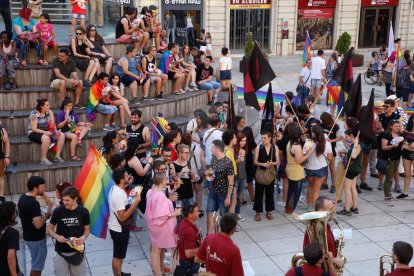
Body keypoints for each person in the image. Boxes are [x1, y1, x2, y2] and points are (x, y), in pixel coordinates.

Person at [48, 187, 90, 276]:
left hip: (77, 252)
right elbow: (50, 229)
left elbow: (87, 230)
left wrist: (83, 237)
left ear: (75, 199)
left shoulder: (84, 211)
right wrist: (57, 237)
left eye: (67, 200)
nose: (64, 203)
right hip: (61, 252)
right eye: (63, 200)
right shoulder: (58, 211)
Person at [146, 172, 180, 276]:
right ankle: (176, 271)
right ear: (161, 182)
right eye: (165, 179)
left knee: (156, 249)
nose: (167, 181)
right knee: (175, 249)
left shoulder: (150, 192)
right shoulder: (160, 196)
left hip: (153, 225)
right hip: (164, 227)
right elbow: (162, 216)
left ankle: (158, 274)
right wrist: (176, 213)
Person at [108, 168, 141, 276]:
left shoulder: (117, 188)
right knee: (118, 255)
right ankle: (117, 274)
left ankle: (119, 272)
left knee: (120, 254)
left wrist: (128, 184)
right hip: (119, 229)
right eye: (127, 176)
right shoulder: (118, 195)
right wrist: (134, 205)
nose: (129, 177)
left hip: (120, 228)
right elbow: (122, 217)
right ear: (122, 180)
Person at [17, 176, 52, 276]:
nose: (44, 189)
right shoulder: (33, 203)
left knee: (36, 263)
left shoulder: (23, 198)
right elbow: (38, 224)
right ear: (35, 188)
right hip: (36, 239)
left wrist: (45, 198)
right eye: (42, 187)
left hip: (29, 236)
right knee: (37, 266)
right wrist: (46, 216)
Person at [303, 197, 345, 270]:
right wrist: (335, 260)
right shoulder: (315, 228)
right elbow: (312, 255)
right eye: (331, 209)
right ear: (321, 211)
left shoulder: (325, 225)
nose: (334, 211)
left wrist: (336, 245)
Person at [205, 140, 234, 234]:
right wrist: (207, 173)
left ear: (217, 149)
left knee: (223, 216)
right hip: (213, 192)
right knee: (209, 212)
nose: (211, 149)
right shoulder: (214, 158)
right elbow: (211, 171)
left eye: (212, 147)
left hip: (223, 194)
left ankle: (222, 236)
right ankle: (209, 235)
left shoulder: (228, 162)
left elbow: (231, 182)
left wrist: (228, 197)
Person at [28, 98, 65, 165]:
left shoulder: (49, 112)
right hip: (34, 133)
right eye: (47, 105)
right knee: (46, 138)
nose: (49, 106)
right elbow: (34, 129)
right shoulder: (34, 114)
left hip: (47, 131)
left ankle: (57, 156)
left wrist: (55, 130)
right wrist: (45, 133)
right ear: (42, 106)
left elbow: (53, 125)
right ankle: (43, 159)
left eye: (49, 105)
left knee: (62, 135)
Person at [305, 126, 333, 210]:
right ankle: (314, 208)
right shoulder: (327, 143)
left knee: (310, 187)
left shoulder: (308, 142)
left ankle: (309, 206)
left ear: (313, 133)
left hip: (309, 168)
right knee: (316, 190)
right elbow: (330, 158)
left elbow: (304, 154)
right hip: (321, 168)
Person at [337, 128, 362, 216]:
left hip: (352, 170)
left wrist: (355, 143)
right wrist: (344, 154)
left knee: (347, 188)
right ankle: (354, 207)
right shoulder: (353, 145)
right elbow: (351, 155)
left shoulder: (357, 145)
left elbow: (354, 156)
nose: (346, 138)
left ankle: (347, 209)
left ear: (351, 136)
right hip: (353, 169)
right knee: (352, 188)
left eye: (346, 136)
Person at [174, 202, 201, 276]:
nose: (199, 212)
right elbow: (188, 253)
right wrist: (203, 248)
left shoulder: (182, 222)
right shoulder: (189, 231)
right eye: (196, 211)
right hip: (189, 264)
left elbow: (176, 233)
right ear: (190, 214)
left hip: (183, 261)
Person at [381, 119, 403, 206]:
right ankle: (386, 196)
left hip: (397, 158)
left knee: (392, 176)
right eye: (396, 126)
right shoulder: (386, 135)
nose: (397, 128)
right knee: (389, 177)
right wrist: (392, 146)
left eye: (398, 126)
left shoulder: (399, 135)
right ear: (391, 126)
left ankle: (388, 193)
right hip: (389, 159)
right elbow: (384, 147)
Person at [320, 112, 342, 194]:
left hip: (332, 149)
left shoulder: (335, 126)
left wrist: (331, 140)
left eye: (324, 120)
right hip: (323, 149)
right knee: (324, 167)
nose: (322, 122)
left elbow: (340, 137)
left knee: (331, 168)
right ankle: (324, 184)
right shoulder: (322, 125)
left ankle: (333, 185)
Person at [0, 201, 20, 276]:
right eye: (15, 212)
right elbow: (10, 257)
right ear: (11, 215)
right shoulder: (12, 233)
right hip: (7, 272)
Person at [398, 115, 414, 199]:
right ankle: (405, 193)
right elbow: (402, 141)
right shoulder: (406, 131)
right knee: (407, 173)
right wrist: (406, 145)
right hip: (406, 153)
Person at [234, 132, 247, 220]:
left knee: (238, 196)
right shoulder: (233, 150)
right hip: (235, 177)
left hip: (243, 176)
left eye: (245, 141)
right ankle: (232, 213)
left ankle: (237, 212)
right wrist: (239, 159)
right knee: (233, 196)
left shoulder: (244, 150)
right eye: (241, 140)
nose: (243, 142)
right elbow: (230, 164)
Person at [0, 125, 9, 202]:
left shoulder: (2, 129)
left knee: (0, 176)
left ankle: (1, 196)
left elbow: (7, 143)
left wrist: (7, 156)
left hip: (0, 156)